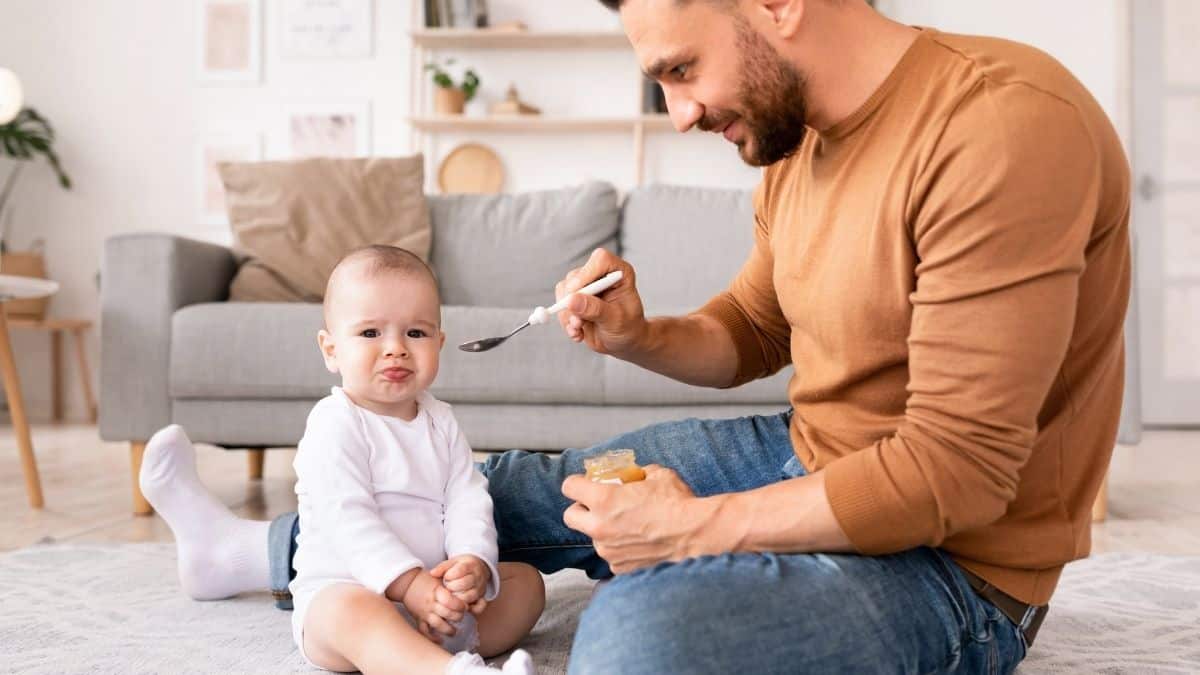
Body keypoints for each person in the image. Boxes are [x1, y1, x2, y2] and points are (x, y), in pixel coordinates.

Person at [141, 0, 1131, 672]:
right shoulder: (803, 144)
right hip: (801, 458)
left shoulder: (1002, 127)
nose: (681, 110)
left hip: (954, 569)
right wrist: (637, 334)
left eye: (682, 68)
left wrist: (696, 531)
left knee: (638, 637)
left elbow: (957, 472)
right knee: (495, 490)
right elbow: (750, 329)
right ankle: (251, 553)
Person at [142, 246, 544, 675]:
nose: (396, 349)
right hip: (350, 592)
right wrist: (408, 586)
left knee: (527, 584)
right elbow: (349, 519)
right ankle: (449, 671)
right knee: (351, 612)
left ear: (439, 343)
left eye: (416, 334)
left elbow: (467, 495)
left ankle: (422, 651)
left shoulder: (440, 420)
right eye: (371, 334)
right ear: (331, 350)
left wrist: (472, 561)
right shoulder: (334, 423)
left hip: (434, 597)